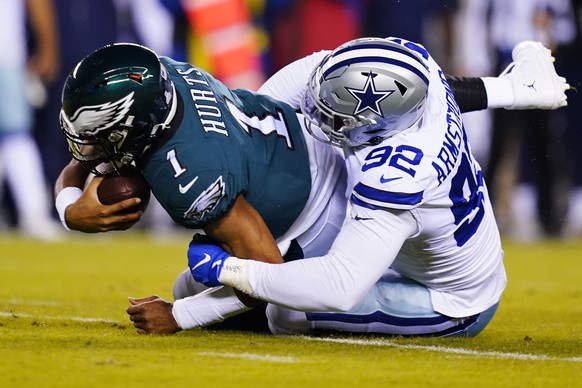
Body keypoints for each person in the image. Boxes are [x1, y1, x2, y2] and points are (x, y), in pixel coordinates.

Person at [53, 40, 568, 335]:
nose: (318, 119)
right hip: (398, 228)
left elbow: (338, 286)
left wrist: (197, 302)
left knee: (283, 309)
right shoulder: (408, 76)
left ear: (375, 127)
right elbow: (269, 105)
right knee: (206, 285)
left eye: (334, 117)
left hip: (453, 297)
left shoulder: (394, 171)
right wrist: (518, 89)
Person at [0, 0, 61, 239]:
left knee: (15, 134)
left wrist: (48, 47)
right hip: (7, 56)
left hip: (6, 55)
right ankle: (33, 214)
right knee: (15, 136)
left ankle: (33, 213)